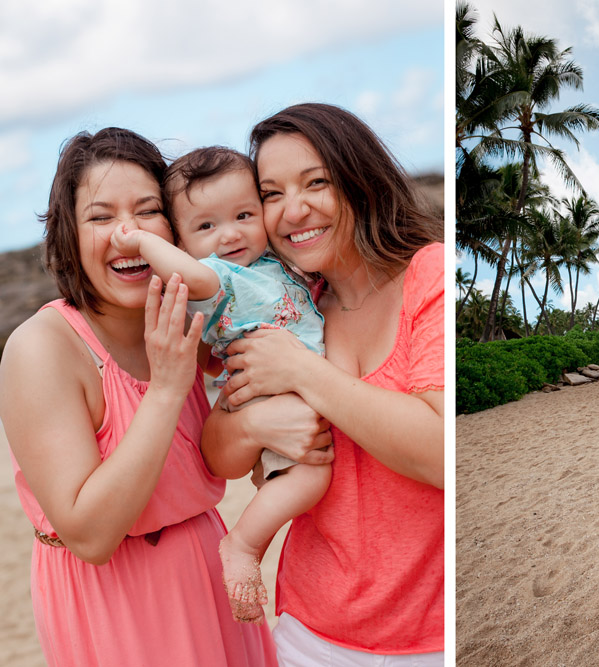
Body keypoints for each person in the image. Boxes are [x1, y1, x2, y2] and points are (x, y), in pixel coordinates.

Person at [0, 128, 277, 665]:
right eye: (100, 217)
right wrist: (167, 388)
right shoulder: (42, 348)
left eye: (148, 211)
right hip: (117, 603)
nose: (127, 235)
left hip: (208, 570)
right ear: (68, 234)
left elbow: (214, 462)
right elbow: (89, 534)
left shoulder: (188, 320)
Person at [201, 103, 445, 665]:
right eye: (271, 194)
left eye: (317, 183)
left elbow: (439, 454)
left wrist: (303, 372)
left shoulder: (426, 274)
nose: (294, 210)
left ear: (360, 180)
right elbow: (218, 455)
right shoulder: (289, 306)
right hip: (309, 631)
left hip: (432, 636)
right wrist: (258, 423)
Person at [109, 146, 331, 624]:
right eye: (206, 226)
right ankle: (243, 545)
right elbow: (192, 276)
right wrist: (142, 242)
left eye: (244, 215)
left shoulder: (269, 263)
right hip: (274, 396)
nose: (229, 234)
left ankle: (250, 544)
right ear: (182, 242)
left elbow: (212, 361)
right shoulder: (217, 274)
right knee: (312, 477)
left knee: (301, 480)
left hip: (287, 387)